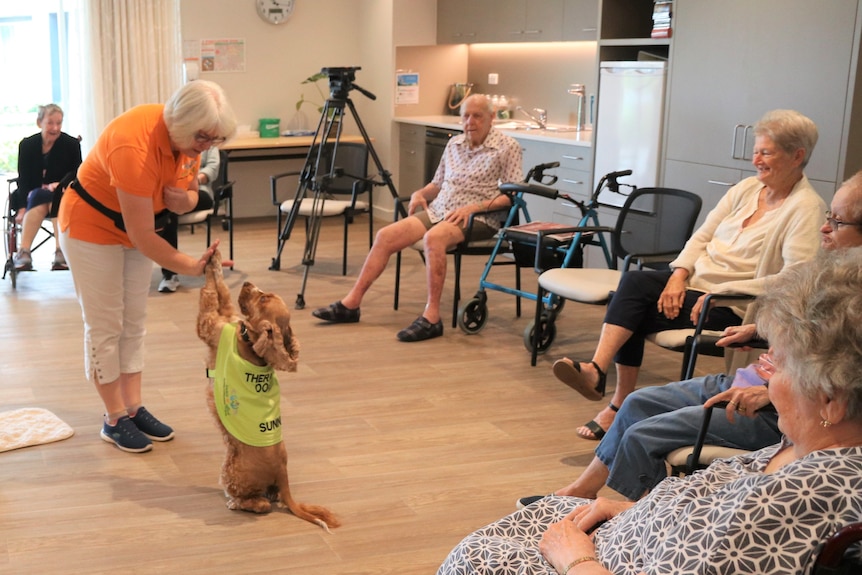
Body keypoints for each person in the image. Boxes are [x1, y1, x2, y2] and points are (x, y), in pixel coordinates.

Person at [439, 248, 862, 575]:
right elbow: (710, 516)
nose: (766, 378)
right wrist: (626, 510)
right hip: (631, 530)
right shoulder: (811, 443)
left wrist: (576, 559)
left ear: (832, 397)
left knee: (476, 558)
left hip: (597, 561)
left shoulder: (793, 499)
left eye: (780, 364)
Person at [516, 170, 862, 505]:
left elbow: (843, 389)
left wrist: (768, 393)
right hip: (756, 378)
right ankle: (583, 490)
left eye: (837, 221)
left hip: (779, 406)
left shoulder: (851, 290)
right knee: (637, 402)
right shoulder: (832, 273)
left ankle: (643, 523)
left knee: (642, 435)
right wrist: (759, 330)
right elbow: (815, 341)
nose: (824, 226)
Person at [553, 109, 826, 440]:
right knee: (635, 285)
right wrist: (678, 276)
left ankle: (612, 397)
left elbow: (796, 278)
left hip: (729, 304)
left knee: (630, 308)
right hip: (694, 287)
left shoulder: (806, 208)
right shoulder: (745, 189)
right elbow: (701, 236)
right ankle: (603, 380)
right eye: (756, 150)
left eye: (765, 152)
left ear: (797, 156)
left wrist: (720, 292)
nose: (755, 160)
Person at [57, 80, 237, 454]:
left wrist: (185, 198)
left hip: (136, 228)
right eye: (203, 138)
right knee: (106, 323)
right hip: (91, 228)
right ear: (183, 125)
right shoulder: (133, 144)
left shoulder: (190, 140)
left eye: (214, 140)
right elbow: (142, 236)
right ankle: (113, 418)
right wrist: (192, 266)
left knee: (134, 320)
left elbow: (187, 199)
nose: (207, 146)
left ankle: (133, 408)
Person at [311, 93, 523, 342]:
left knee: (433, 238)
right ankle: (351, 304)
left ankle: (432, 317)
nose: (470, 122)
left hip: (477, 218)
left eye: (477, 116)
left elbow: (512, 197)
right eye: (466, 116)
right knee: (385, 235)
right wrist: (419, 193)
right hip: (439, 210)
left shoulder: (508, 147)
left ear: (491, 118)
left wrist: (473, 207)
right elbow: (437, 184)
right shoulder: (454, 144)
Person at [12, 104, 82, 271]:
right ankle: (60, 253)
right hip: (31, 194)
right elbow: (23, 179)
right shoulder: (27, 145)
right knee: (40, 196)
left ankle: (25, 252)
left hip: (62, 193)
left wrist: (62, 184)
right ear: (39, 122)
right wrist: (21, 208)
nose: (55, 128)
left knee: (55, 199)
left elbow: (78, 173)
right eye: (50, 123)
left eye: (59, 123)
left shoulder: (71, 144)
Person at [157, 146, 220, 293]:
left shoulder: (209, 145)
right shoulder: (176, 145)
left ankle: (170, 273)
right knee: (168, 212)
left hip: (201, 192)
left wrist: (193, 180)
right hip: (174, 192)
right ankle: (170, 273)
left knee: (170, 211)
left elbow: (213, 168)